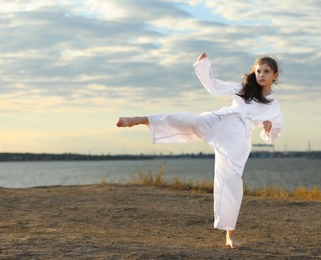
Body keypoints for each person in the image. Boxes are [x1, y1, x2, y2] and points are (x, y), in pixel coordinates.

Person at [116, 53, 282, 249]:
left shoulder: (274, 106)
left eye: (266, 71)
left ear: (275, 76)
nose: (261, 74)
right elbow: (214, 86)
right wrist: (203, 65)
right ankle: (143, 119)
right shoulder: (241, 89)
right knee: (190, 120)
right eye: (258, 71)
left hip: (236, 140)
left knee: (231, 183)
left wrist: (268, 129)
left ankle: (230, 235)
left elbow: (271, 135)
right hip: (220, 120)